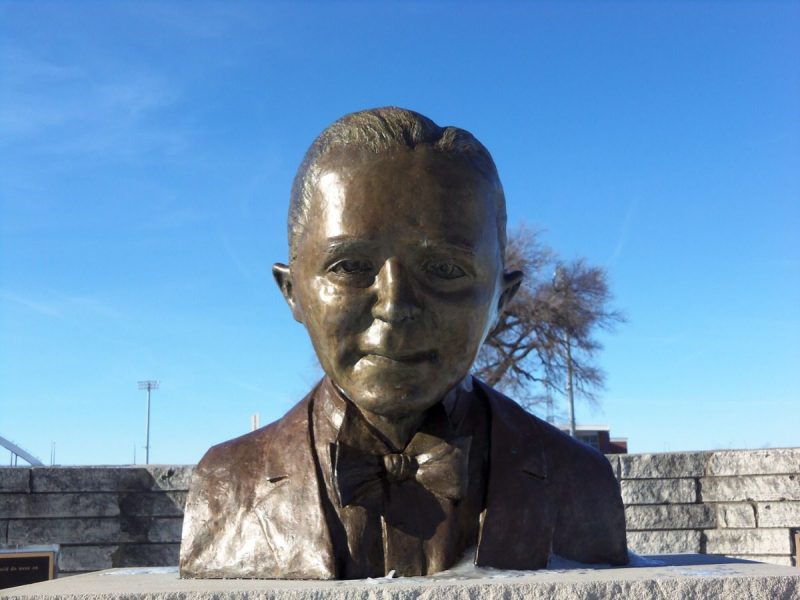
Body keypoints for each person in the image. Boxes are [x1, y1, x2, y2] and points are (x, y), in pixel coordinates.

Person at [179, 107, 627, 579]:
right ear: (292, 293)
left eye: (445, 270)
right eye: (350, 267)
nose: (395, 307)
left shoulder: (581, 483)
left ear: (501, 298)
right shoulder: (223, 482)